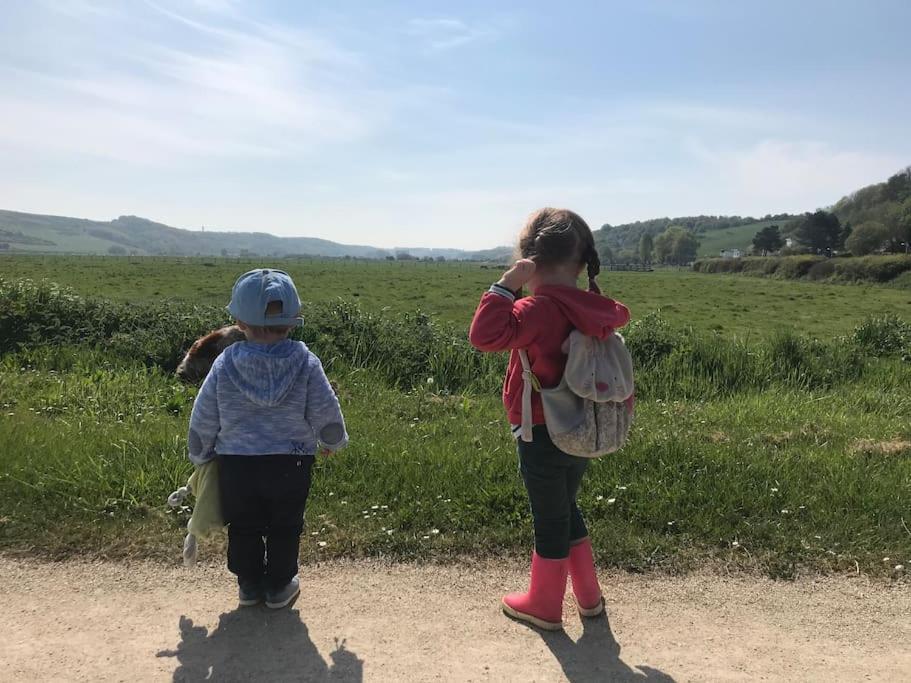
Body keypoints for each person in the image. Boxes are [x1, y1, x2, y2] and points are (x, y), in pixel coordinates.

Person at [469, 208, 631, 630]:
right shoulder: (594, 308)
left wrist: (506, 285)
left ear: (530, 262)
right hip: (585, 425)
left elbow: (484, 335)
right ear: (581, 264)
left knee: (549, 516)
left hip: (540, 429)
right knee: (566, 505)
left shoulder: (539, 309)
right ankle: (589, 595)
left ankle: (542, 603)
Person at [187, 268, 348, 609]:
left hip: (237, 463)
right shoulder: (305, 361)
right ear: (292, 322)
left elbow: (204, 414)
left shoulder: (224, 363)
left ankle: (249, 585)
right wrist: (331, 439)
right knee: (285, 525)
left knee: (244, 525)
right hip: (291, 461)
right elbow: (324, 407)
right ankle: (278, 587)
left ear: (239, 322)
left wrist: (201, 452)